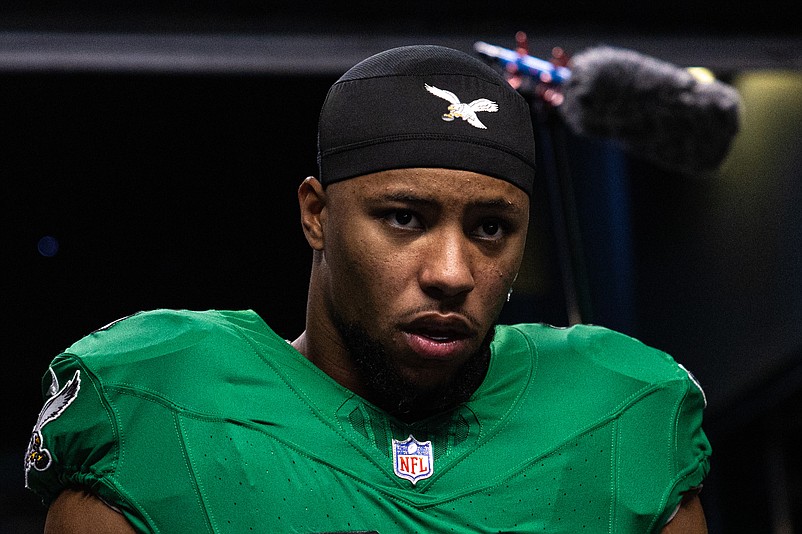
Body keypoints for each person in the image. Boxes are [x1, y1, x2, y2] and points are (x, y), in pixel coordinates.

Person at [24, 45, 711, 533]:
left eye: (492, 227)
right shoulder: (154, 404)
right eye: (404, 218)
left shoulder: (622, 412)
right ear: (316, 215)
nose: (451, 272)